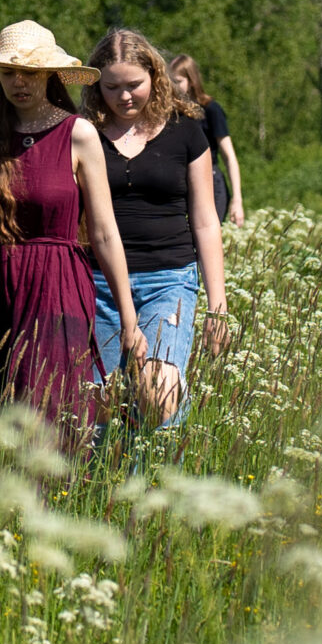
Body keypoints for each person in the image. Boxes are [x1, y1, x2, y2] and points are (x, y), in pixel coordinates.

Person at [0, 21, 143, 457]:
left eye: (31, 73)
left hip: (60, 287)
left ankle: (53, 513)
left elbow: (104, 233)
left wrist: (130, 322)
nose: (19, 83)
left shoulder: (78, 133)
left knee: (52, 415)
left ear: (51, 76)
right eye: (8, 74)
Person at [85, 30, 230, 430]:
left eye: (134, 85)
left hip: (169, 280)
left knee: (157, 391)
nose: (123, 96)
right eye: (111, 86)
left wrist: (217, 306)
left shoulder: (186, 131)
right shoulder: (85, 133)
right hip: (98, 284)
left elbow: (204, 220)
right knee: (106, 408)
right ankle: (124, 487)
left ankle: (165, 480)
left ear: (155, 76)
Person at [169, 54, 246, 226]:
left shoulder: (210, 110)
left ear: (191, 81)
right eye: (170, 82)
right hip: (181, 182)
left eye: (178, 81)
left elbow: (229, 157)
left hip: (210, 181)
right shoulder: (169, 113)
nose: (173, 87)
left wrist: (237, 200)